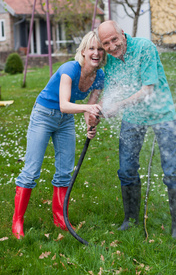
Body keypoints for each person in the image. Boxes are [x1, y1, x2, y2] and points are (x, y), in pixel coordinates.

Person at [12, 31, 106, 239]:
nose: (96, 52)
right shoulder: (69, 69)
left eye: (100, 49)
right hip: (44, 114)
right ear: (83, 51)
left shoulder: (99, 76)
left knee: (64, 171)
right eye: (91, 48)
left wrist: (91, 123)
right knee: (31, 170)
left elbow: (90, 107)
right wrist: (87, 110)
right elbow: (64, 104)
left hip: (65, 121)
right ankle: (17, 221)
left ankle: (59, 218)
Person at [96, 20, 176, 238]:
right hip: (133, 116)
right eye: (106, 43)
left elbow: (147, 90)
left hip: (161, 113)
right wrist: (99, 112)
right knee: (126, 169)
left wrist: (118, 105)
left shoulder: (144, 47)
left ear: (123, 34)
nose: (112, 46)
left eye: (114, 40)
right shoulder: (111, 61)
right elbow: (111, 93)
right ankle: (131, 219)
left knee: (171, 169)